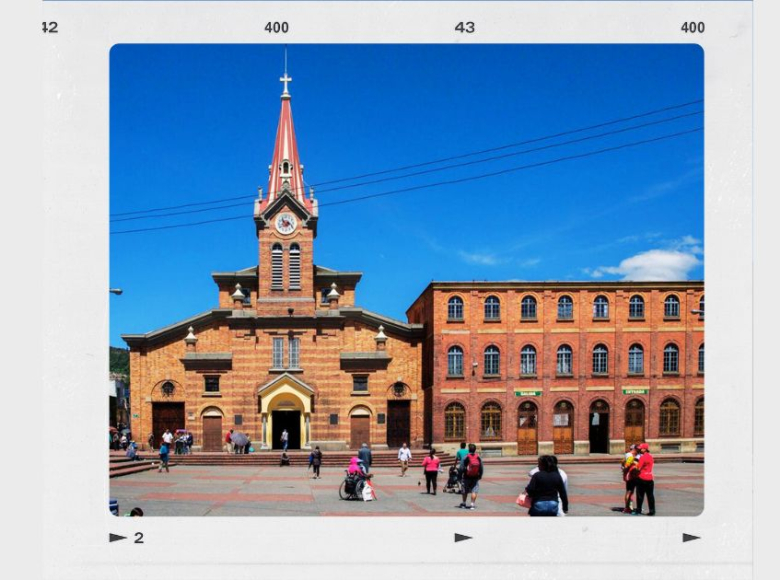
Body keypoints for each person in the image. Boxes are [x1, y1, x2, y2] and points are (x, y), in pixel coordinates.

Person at [633, 443, 655, 515]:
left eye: (641, 448)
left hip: (642, 478)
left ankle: (639, 509)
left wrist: (634, 466)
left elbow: (638, 468)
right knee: (650, 495)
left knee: (640, 495)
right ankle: (652, 511)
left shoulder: (642, 457)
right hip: (650, 478)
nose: (639, 449)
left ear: (645, 449)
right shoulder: (651, 457)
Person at [460, 443, 483, 510]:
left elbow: (461, 467)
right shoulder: (478, 457)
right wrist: (480, 475)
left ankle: (464, 503)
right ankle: (472, 504)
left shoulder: (466, 457)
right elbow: (481, 468)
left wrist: (460, 476)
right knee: (474, 491)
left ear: (469, 450)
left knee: (465, 491)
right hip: (475, 477)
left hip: (466, 476)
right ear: (475, 450)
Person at [622, 444, 640, 513]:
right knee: (629, 492)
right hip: (631, 476)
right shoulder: (630, 456)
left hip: (629, 476)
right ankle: (627, 507)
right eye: (637, 450)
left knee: (630, 491)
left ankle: (629, 507)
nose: (638, 451)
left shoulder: (629, 455)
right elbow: (627, 465)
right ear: (634, 449)